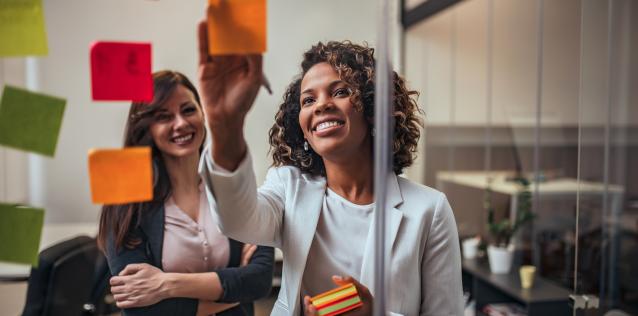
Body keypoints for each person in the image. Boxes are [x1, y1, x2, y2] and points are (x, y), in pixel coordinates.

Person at [196, 22, 463, 315]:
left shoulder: (429, 209)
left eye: (340, 91)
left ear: (373, 109)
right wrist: (225, 125)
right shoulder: (288, 187)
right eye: (308, 99)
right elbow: (237, 221)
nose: (321, 105)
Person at [97, 70, 274, 316]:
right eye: (164, 116)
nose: (180, 123)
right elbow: (142, 309)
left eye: (188, 110)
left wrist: (165, 284)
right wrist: (235, 288)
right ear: (147, 127)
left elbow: (260, 280)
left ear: (203, 113)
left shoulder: (230, 185)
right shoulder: (124, 202)